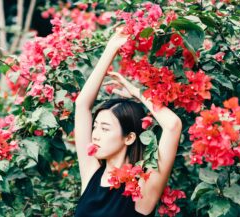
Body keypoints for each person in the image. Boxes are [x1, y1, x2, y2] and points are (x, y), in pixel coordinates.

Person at [74, 26, 182, 217]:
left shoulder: (143, 188)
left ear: (129, 138)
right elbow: (82, 106)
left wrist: (136, 92)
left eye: (105, 128)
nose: (96, 134)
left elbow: (173, 125)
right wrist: (111, 48)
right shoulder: (92, 173)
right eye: (96, 127)